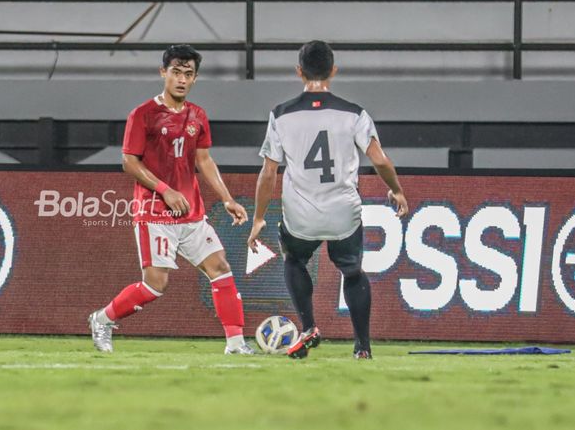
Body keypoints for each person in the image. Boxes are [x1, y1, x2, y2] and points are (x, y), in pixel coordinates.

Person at [247, 40, 409, 360]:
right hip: (343, 213)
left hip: (300, 215)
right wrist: (397, 189)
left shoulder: (280, 115)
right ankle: (362, 347)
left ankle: (308, 328)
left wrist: (259, 217)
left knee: (294, 260)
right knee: (353, 273)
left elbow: (268, 173)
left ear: (298, 72)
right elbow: (379, 160)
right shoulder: (354, 114)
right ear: (333, 71)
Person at [89, 44, 254, 355]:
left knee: (220, 266)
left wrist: (228, 198)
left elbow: (204, 161)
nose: (181, 79)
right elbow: (129, 161)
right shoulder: (142, 115)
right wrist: (164, 189)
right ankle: (103, 318)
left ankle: (235, 343)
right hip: (154, 214)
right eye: (176, 72)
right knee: (155, 285)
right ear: (163, 72)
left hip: (191, 213)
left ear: (194, 79)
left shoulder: (198, 116)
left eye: (188, 74)